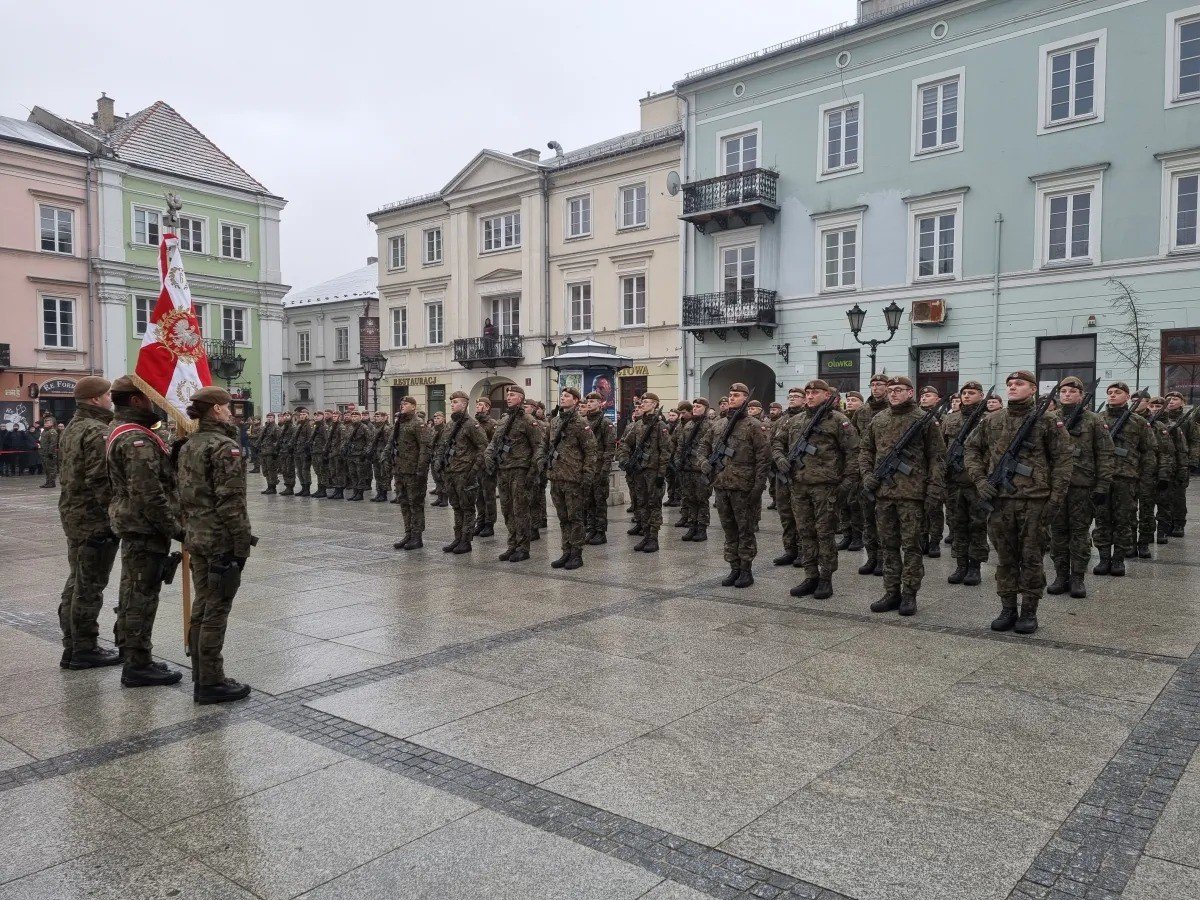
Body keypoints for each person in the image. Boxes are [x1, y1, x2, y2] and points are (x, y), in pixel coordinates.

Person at [966, 371, 1071, 634]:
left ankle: (1029, 611)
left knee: (1032, 558)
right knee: (1005, 558)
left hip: (1035, 500)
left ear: (1033, 389)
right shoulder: (992, 419)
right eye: (1010, 384)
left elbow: (1063, 461)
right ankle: (1008, 608)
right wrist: (980, 481)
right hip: (1000, 501)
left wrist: (1055, 499)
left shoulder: (1048, 421)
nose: (1013, 387)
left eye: (1019, 384)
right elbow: (971, 449)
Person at [177, 385, 254, 704]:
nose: (232, 411)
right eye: (228, 406)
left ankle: (201, 673)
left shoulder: (188, 444)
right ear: (217, 409)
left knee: (202, 604)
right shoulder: (225, 446)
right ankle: (211, 681)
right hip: (219, 538)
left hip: (196, 535)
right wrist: (241, 544)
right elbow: (231, 502)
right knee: (216, 609)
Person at [106, 376, 184, 687]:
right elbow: (150, 495)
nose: (156, 403)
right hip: (144, 526)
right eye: (150, 397)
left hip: (135, 524)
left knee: (132, 591)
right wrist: (177, 530)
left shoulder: (130, 432)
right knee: (141, 595)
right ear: (137, 401)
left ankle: (131, 652)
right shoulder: (136, 439)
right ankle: (138, 665)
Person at [860, 376, 945, 616]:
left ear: (910, 392)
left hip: (912, 494)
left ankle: (909, 594)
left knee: (912, 547)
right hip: (884, 493)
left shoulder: (924, 420)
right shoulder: (879, 419)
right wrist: (867, 475)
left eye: (899, 390)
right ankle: (891, 591)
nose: (893, 394)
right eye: (890, 390)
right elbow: (866, 450)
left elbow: (937, 458)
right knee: (888, 546)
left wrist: (933, 490)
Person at [56, 376, 122, 669]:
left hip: (73, 513)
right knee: (89, 584)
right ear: (95, 399)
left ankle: (72, 644)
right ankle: (84, 648)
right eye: (108, 395)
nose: (111, 399)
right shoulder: (97, 431)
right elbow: (100, 480)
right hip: (93, 518)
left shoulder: (73, 427)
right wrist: (116, 512)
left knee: (77, 579)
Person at [774, 379, 858, 600]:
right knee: (805, 532)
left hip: (826, 488)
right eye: (808, 392)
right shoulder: (795, 420)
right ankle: (810, 575)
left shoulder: (839, 421)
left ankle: (825, 578)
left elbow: (853, 453)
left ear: (827, 395)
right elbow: (776, 444)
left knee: (825, 534)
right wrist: (780, 458)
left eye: (815, 393)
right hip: (799, 485)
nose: (810, 396)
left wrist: (846, 483)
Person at [1047, 377, 1114, 599]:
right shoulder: (1050, 419)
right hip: (1055, 486)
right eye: (1063, 391)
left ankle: (1077, 577)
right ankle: (1060, 575)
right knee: (1057, 533)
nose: (1066, 394)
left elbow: (1105, 454)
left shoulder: (1094, 421)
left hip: (1082, 486)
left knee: (1079, 533)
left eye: (1072, 391)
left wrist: (1103, 484)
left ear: (1081, 395)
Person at [703, 382, 769, 588]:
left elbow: (763, 459)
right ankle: (734, 568)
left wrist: (758, 487)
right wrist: (704, 463)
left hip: (744, 487)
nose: (732, 398)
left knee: (745, 530)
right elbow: (702, 447)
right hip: (722, 485)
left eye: (738, 395)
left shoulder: (754, 426)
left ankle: (746, 570)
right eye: (730, 394)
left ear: (746, 399)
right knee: (729, 529)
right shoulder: (719, 425)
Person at [1093, 383, 1154, 576]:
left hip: (1127, 478)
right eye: (1109, 393)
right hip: (1102, 478)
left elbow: (1148, 453)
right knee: (1102, 519)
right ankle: (1103, 558)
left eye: (1117, 392)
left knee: (1123, 520)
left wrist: (1144, 480)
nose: (1112, 395)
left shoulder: (1138, 422)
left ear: (1127, 396)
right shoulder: (1097, 419)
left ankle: (1118, 559)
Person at [484, 385, 543, 562]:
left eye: (512, 395)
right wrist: (488, 456)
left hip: (520, 470)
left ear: (521, 398)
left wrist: (533, 472)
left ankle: (523, 547)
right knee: (507, 509)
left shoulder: (528, 420)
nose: (508, 397)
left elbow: (539, 446)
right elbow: (493, 443)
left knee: (520, 510)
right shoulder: (503, 421)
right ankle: (512, 545)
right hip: (503, 471)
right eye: (507, 395)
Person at [940, 381, 990, 587]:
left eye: (972, 393)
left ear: (981, 395)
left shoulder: (989, 420)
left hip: (976, 483)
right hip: (954, 482)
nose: (967, 396)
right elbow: (941, 448)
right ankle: (961, 564)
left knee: (977, 525)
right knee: (957, 524)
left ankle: (975, 567)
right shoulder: (950, 419)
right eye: (964, 393)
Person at [544, 387, 597, 569]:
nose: (563, 398)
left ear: (575, 401)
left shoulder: (581, 423)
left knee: (575, 518)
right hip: (556, 477)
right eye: (562, 395)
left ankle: (576, 554)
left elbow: (590, 452)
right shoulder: (556, 421)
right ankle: (566, 552)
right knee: (563, 518)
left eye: (567, 396)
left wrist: (587, 476)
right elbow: (547, 446)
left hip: (574, 478)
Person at [617, 393, 671, 553]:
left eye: (647, 402)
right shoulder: (638, 425)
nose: (643, 404)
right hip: (639, 471)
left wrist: (661, 474)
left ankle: (653, 538)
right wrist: (624, 460)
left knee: (654, 505)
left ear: (655, 404)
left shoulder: (661, 426)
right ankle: (646, 535)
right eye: (642, 401)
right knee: (641, 504)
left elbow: (666, 451)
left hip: (653, 472)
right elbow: (625, 444)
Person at [438, 391, 489, 554]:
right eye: (451, 402)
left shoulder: (471, 424)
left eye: (455, 402)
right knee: (456, 507)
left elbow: (483, 448)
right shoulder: (450, 424)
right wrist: (440, 461)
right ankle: (458, 538)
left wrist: (474, 470)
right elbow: (443, 445)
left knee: (467, 508)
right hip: (451, 472)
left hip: (465, 473)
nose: (452, 405)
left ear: (464, 404)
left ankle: (466, 541)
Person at [853, 374, 890, 576]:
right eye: (873, 385)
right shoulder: (862, 411)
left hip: (886, 471)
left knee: (883, 519)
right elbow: (855, 441)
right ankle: (872, 556)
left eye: (880, 385)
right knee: (868, 517)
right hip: (865, 469)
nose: (876, 388)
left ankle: (884, 559)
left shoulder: (891, 410)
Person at [391, 396, 432, 548]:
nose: (402, 405)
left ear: (414, 407)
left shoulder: (418, 424)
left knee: (415, 504)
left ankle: (417, 536)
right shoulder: (400, 423)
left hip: (413, 471)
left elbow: (425, 448)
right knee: (404, 503)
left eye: (406, 403)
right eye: (401, 403)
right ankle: (408, 533)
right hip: (400, 470)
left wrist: (421, 469)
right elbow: (393, 443)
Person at [771, 388, 806, 566]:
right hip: (783, 473)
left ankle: (803, 551)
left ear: (805, 399)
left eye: (796, 397)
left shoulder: (809, 418)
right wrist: (779, 459)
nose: (792, 399)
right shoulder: (782, 420)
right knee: (785, 513)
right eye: (790, 397)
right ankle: (790, 550)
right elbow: (775, 442)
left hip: (802, 474)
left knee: (801, 515)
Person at [675, 398, 714, 542]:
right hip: (687, 468)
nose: (695, 408)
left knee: (701, 499)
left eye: (699, 406)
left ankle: (702, 528)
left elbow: (712, 447)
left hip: (700, 469)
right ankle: (692, 526)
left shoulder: (710, 425)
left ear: (706, 408)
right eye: (695, 406)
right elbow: (680, 445)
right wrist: (678, 460)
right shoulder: (688, 425)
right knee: (690, 499)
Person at [583, 390, 615, 545]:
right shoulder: (583, 421)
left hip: (599, 466)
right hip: (587, 468)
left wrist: (605, 470)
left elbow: (610, 449)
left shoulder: (605, 423)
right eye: (588, 402)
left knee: (599, 501)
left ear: (600, 403)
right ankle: (591, 529)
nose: (589, 403)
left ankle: (601, 532)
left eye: (593, 401)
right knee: (588, 501)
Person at [917, 385, 946, 557]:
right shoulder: (915, 417)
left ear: (937, 398)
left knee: (935, 507)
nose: (924, 398)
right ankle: (922, 538)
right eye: (923, 395)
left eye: (928, 395)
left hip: (937, 466)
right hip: (919, 468)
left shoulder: (944, 417)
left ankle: (935, 540)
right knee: (920, 507)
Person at [837, 391, 866, 553]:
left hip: (858, 465)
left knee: (855, 503)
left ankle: (857, 536)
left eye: (854, 400)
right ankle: (846, 534)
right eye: (847, 400)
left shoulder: (864, 418)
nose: (849, 402)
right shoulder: (841, 418)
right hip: (842, 465)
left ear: (861, 403)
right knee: (843, 502)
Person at [1165, 391, 1196, 535]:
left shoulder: (1188, 420)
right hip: (1164, 462)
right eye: (1168, 399)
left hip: (1181, 462)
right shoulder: (1160, 419)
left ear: (1182, 402)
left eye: (1175, 399)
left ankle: (1178, 524)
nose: (1171, 401)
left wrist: (1191, 462)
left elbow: (1194, 442)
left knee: (1178, 495)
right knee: (1164, 494)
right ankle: (1166, 523)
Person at [473, 397, 497, 536]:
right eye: (477, 404)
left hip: (487, 466)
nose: (477, 406)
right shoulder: (474, 423)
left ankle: (489, 524)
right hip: (477, 466)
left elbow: (494, 444)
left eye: (480, 404)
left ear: (487, 407)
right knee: (478, 497)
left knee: (488, 496)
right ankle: (480, 521)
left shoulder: (492, 424)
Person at [369, 410, 392, 501]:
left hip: (383, 456)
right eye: (376, 416)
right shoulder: (375, 428)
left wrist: (386, 455)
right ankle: (379, 493)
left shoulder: (386, 429)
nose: (376, 418)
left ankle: (383, 494)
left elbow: (389, 443)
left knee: (384, 475)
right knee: (377, 475)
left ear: (383, 418)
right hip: (375, 455)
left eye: (378, 416)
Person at [429, 411, 449, 507]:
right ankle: (439, 497)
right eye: (435, 418)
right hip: (433, 456)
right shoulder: (433, 429)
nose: (436, 420)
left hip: (442, 458)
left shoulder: (446, 429)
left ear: (443, 419)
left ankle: (445, 499)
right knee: (436, 478)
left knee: (443, 478)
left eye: (438, 418)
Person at [292, 408, 313, 496]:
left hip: (304, 452)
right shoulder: (299, 425)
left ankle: (307, 489)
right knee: (299, 471)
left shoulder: (309, 425)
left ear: (307, 415)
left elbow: (310, 438)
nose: (302, 416)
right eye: (300, 415)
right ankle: (303, 487)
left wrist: (308, 452)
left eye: (304, 415)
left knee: (305, 470)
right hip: (297, 451)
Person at [275, 411, 296, 495]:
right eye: (285, 416)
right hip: (282, 451)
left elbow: (294, 439)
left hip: (289, 452)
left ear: (291, 417)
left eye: (288, 415)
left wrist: (290, 448)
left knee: (289, 469)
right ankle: (287, 486)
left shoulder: (293, 427)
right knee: (284, 469)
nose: (286, 417)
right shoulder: (283, 427)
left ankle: (290, 487)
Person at [259, 412, 280, 494]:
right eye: (268, 417)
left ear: (274, 418)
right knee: (265, 470)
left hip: (271, 453)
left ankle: (273, 488)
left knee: (271, 470)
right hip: (263, 452)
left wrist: (276, 452)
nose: (269, 419)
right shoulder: (265, 428)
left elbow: (279, 440)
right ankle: (269, 486)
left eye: (270, 417)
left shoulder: (276, 428)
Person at [309, 410, 328, 498]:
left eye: (318, 415)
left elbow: (327, 440)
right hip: (315, 452)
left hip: (321, 452)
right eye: (315, 415)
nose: (316, 417)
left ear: (323, 416)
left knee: (322, 471)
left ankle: (323, 490)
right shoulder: (315, 426)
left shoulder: (324, 427)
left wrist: (325, 452)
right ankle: (319, 489)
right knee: (317, 471)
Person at [38, 415, 60, 487]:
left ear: (52, 424)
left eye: (48, 423)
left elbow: (53, 443)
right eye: (45, 423)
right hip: (44, 453)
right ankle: (48, 482)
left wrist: (50, 453)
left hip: (49, 453)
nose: (46, 424)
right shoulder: (44, 431)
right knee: (46, 469)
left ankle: (52, 483)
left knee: (51, 468)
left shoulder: (52, 431)